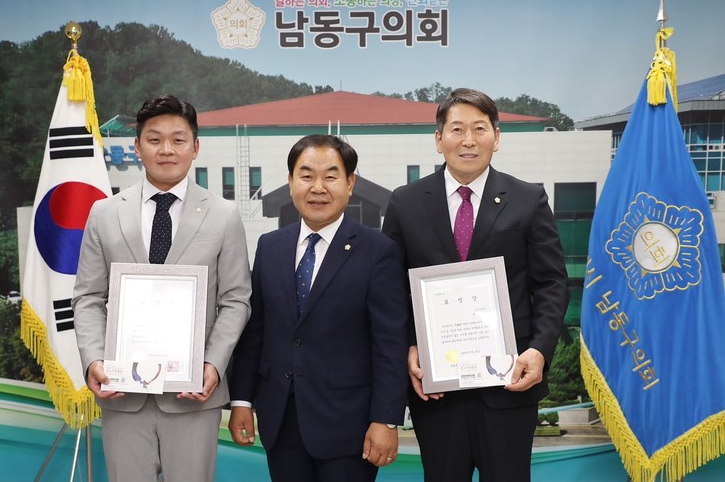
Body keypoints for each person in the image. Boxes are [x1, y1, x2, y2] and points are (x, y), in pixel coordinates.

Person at [381, 88, 569, 482]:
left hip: (509, 384)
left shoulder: (528, 199)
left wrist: (539, 351)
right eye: (457, 129)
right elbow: (391, 289)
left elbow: (551, 283)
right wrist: (410, 345)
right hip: (437, 390)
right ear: (439, 139)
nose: (468, 140)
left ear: (496, 138)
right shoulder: (405, 202)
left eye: (480, 129)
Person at [72, 94, 251, 482]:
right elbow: (88, 296)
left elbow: (236, 300)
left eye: (178, 139)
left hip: (193, 395)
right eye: (154, 139)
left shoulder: (224, 215)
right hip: (122, 393)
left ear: (195, 147)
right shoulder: (105, 212)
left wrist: (213, 365)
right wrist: (93, 360)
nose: (166, 149)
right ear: (137, 147)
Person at [228, 134, 409, 482]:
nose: (318, 187)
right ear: (291, 181)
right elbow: (256, 333)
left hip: (349, 425)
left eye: (330, 176)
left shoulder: (377, 251)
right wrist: (241, 401)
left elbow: (390, 343)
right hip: (281, 419)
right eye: (307, 175)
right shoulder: (270, 246)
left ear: (350, 183)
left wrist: (386, 419)